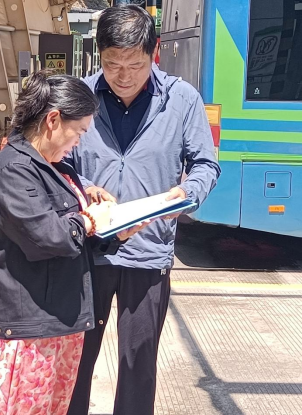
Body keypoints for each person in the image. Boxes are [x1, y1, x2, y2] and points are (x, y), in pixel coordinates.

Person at [67, 5, 221, 415]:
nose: (123, 75)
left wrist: (187, 193)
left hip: (148, 252)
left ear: (154, 52)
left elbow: (205, 164)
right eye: (112, 64)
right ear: (98, 55)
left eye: (135, 65)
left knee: (138, 364)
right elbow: (57, 163)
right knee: (75, 361)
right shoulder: (79, 97)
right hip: (88, 251)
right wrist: (83, 187)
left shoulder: (182, 99)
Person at [0, 71, 145, 414]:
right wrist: (91, 219)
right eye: (78, 131)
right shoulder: (14, 170)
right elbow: (49, 236)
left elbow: (77, 241)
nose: (78, 142)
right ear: (52, 120)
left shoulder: (57, 168)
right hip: (28, 330)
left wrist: (115, 232)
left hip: (61, 322)